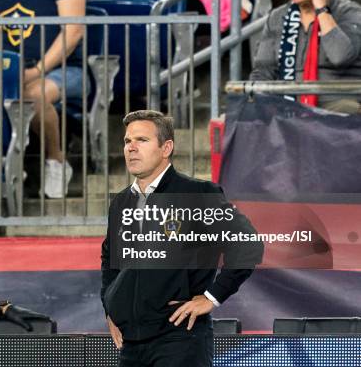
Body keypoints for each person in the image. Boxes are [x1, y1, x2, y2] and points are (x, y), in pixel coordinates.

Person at [101, 110, 263, 367]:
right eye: (126, 141)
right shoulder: (121, 202)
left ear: (166, 148)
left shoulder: (197, 194)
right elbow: (110, 258)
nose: (131, 148)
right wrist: (110, 307)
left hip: (180, 340)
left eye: (141, 140)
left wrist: (211, 297)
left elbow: (248, 245)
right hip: (131, 345)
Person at [0, 0, 87, 199]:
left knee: (33, 95)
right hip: (14, 70)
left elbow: (72, 32)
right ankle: (5, 166)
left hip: (65, 69)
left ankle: (56, 159)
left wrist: (37, 70)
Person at [250, 0, 361, 114]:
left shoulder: (350, 13)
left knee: (344, 111)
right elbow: (262, 72)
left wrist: (321, 9)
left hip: (335, 105)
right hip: (289, 105)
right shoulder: (277, 18)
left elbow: (340, 56)